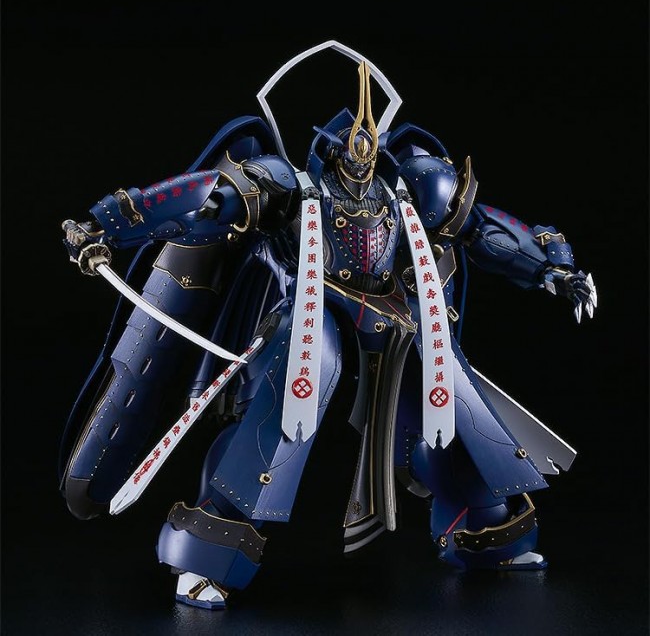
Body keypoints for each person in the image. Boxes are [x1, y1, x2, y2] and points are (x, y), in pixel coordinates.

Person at [59, 43, 596, 610]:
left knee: (454, 415)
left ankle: (487, 538)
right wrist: (111, 221)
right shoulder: (288, 185)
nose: (361, 155)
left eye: (369, 141)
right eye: (351, 145)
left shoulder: (410, 184)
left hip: (397, 316)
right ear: (330, 146)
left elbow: (482, 230)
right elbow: (206, 201)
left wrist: (552, 269)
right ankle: (206, 558)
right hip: (316, 311)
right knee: (287, 408)